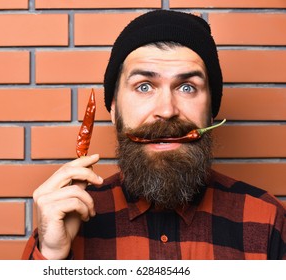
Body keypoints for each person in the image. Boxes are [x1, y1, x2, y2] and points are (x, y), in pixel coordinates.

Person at [22, 10, 286, 260]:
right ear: (114, 110)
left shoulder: (266, 220)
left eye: (187, 87)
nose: (167, 110)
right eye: (144, 86)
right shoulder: (69, 221)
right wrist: (51, 254)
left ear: (211, 112)